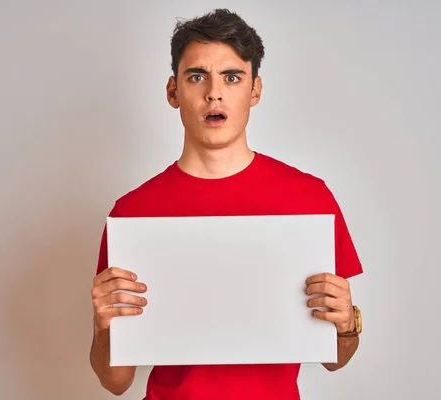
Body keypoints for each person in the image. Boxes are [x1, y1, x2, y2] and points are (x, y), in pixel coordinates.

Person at [89, 8, 363, 400]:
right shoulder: (133, 212)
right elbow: (115, 382)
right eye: (196, 76)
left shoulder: (309, 198)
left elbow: (335, 358)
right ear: (173, 91)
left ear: (255, 90)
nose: (213, 92)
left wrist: (347, 324)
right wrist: (103, 328)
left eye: (231, 77)